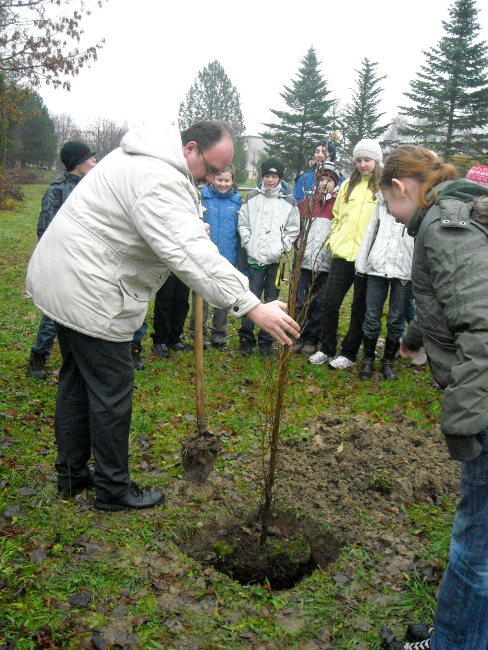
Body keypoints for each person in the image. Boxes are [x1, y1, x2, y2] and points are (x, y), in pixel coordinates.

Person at [26, 121, 300, 512]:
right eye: (210, 169)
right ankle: (113, 489)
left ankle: (72, 475)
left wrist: (187, 226)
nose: (212, 178)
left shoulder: (139, 158)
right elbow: (189, 255)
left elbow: (142, 223)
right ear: (190, 149)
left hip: (65, 276)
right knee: (111, 392)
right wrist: (251, 305)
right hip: (88, 288)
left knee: (75, 377)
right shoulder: (158, 178)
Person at [380, 145, 488, 650]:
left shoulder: (443, 229)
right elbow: (458, 298)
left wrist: (462, 422)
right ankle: (463, 631)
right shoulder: (458, 213)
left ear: (401, 188)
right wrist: (417, 334)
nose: (390, 215)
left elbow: (482, 327)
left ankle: (451, 644)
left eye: (387, 203)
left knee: (475, 545)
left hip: (485, 402)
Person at [309, 139, 382, 369]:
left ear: (376, 161)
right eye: (359, 160)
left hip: (366, 258)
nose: (363, 164)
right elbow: (337, 216)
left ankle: (349, 353)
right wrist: (333, 239)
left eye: (367, 160)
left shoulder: (382, 189)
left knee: (358, 308)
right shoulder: (347, 185)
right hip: (342, 255)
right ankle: (327, 348)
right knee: (329, 303)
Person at [27, 141, 96, 379]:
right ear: (77, 163)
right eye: (89, 158)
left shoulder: (94, 186)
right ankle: (39, 356)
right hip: (61, 259)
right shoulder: (56, 190)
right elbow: (45, 230)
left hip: (88, 259)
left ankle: (80, 359)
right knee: (54, 311)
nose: (94, 161)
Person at [237, 157, 300, 356]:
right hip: (255, 259)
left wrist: (283, 247)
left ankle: (266, 340)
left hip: (276, 261)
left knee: (272, 299)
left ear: (280, 178)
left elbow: (293, 228)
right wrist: (249, 242)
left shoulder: (289, 201)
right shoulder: (252, 197)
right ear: (262, 176)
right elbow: (243, 223)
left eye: (274, 176)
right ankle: (246, 337)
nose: (270, 180)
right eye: (267, 176)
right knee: (251, 299)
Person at [355, 191, 415, 380]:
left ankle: (388, 361)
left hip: (405, 268)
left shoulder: (418, 203)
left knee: (396, 318)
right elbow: (370, 231)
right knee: (372, 315)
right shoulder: (382, 203)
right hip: (377, 266)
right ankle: (368, 359)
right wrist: (362, 263)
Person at [190, 163, 242, 349]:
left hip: (227, 256)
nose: (223, 184)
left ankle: (219, 332)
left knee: (223, 296)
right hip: (204, 256)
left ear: (232, 181)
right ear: (213, 179)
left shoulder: (237, 201)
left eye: (227, 180)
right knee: (201, 296)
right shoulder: (202, 198)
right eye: (219, 180)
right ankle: (197, 332)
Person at [294, 163, 339, 355]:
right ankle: (298, 335)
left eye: (329, 180)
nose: (324, 183)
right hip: (304, 261)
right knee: (300, 300)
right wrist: (297, 244)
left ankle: (312, 338)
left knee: (319, 303)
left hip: (325, 264)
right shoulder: (306, 203)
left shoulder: (337, 206)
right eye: (321, 179)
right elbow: (296, 228)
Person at [150, 273, 192, 358]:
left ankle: (174, 338)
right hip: (167, 267)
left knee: (182, 301)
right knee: (164, 301)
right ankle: (160, 340)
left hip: (183, 266)